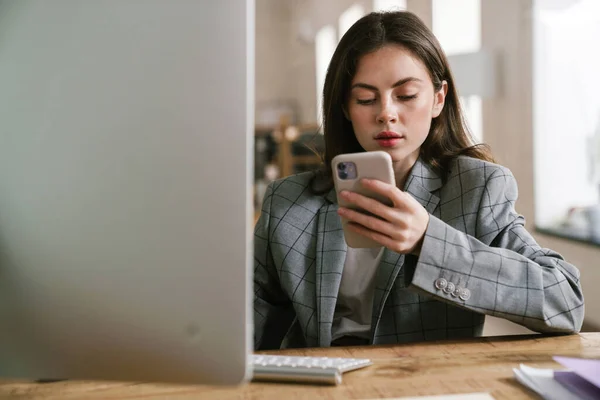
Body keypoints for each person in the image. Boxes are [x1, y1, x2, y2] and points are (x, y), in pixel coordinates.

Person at [253, 11, 584, 350]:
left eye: (406, 95)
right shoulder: (287, 201)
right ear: (344, 108)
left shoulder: (477, 188)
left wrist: (428, 241)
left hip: (425, 383)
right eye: (365, 99)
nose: (386, 113)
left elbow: (564, 301)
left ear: (439, 98)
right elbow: (247, 324)